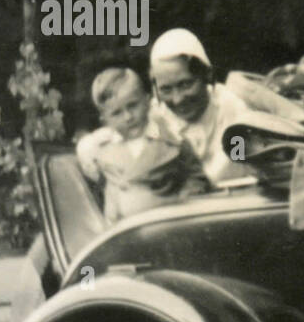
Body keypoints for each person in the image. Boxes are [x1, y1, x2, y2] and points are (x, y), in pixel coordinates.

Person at [76, 67, 209, 222]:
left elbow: (196, 177)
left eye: (133, 105)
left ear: (147, 101)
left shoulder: (171, 139)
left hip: (168, 222)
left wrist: (184, 201)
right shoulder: (105, 150)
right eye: (116, 113)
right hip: (124, 229)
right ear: (105, 119)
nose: (128, 117)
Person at [149, 28, 250, 184]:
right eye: (166, 89)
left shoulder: (234, 109)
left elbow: (236, 165)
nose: (177, 100)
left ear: (207, 75)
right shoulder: (151, 117)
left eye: (185, 84)